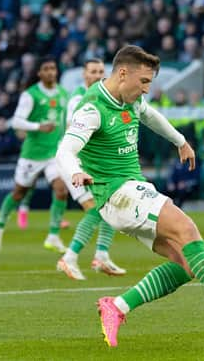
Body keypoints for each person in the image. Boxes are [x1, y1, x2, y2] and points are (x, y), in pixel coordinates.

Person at [55, 45, 204, 347]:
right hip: (117, 194)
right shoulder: (93, 107)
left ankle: (117, 306)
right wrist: (75, 173)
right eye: (144, 82)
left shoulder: (130, 100)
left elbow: (150, 116)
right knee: (186, 228)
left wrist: (181, 141)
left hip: (131, 191)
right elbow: (64, 150)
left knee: (186, 266)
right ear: (123, 73)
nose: (147, 90)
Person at [0, 56, 70, 253]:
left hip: (53, 153)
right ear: (39, 73)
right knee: (19, 193)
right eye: (46, 69)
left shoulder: (62, 93)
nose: (51, 72)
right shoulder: (30, 95)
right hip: (32, 155)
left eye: (53, 68)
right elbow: (16, 122)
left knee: (61, 189)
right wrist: (38, 126)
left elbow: (63, 119)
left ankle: (53, 235)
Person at [56, 59, 126, 279]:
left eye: (100, 72)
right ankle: (69, 257)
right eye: (93, 72)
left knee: (110, 205)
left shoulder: (105, 96)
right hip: (77, 163)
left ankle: (101, 255)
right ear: (84, 75)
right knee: (97, 208)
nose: (97, 75)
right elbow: (71, 130)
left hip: (96, 162)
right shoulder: (79, 98)